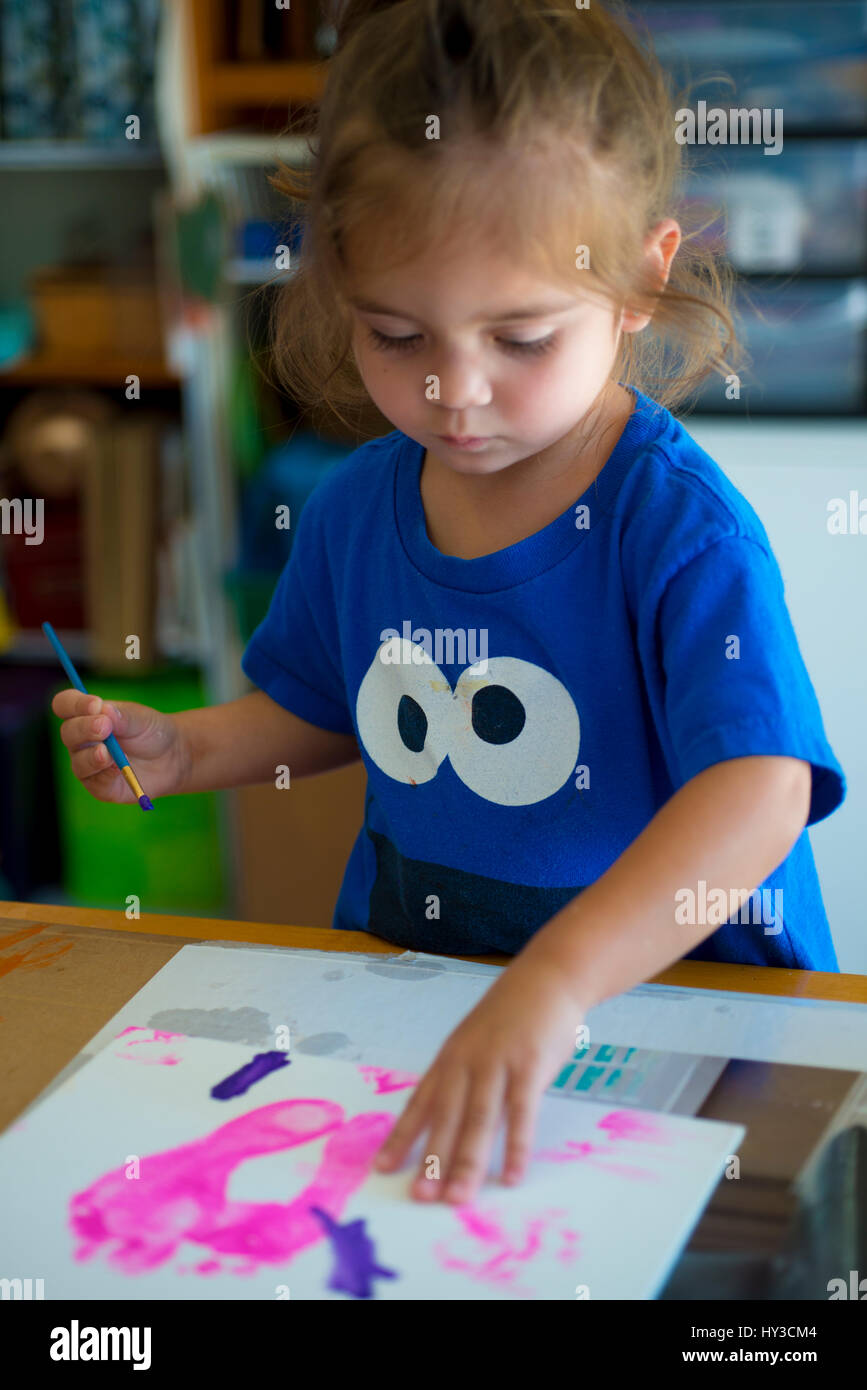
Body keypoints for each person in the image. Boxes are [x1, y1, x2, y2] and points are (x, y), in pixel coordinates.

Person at [52, 0, 845, 1206]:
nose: (452, 390)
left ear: (642, 276)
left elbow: (761, 791)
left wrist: (557, 981)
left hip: (680, 1023)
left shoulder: (675, 525)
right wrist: (190, 744)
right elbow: (329, 702)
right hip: (432, 1000)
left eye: (520, 337)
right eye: (396, 332)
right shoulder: (357, 505)